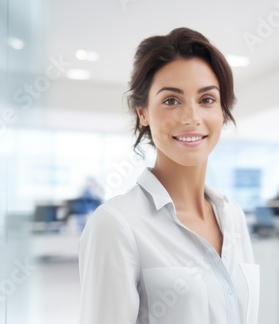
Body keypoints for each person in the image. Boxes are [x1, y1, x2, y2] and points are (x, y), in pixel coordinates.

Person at [79, 28, 259, 324]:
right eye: (171, 101)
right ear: (143, 113)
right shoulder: (115, 224)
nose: (191, 117)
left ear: (222, 112)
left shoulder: (233, 217)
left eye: (207, 100)